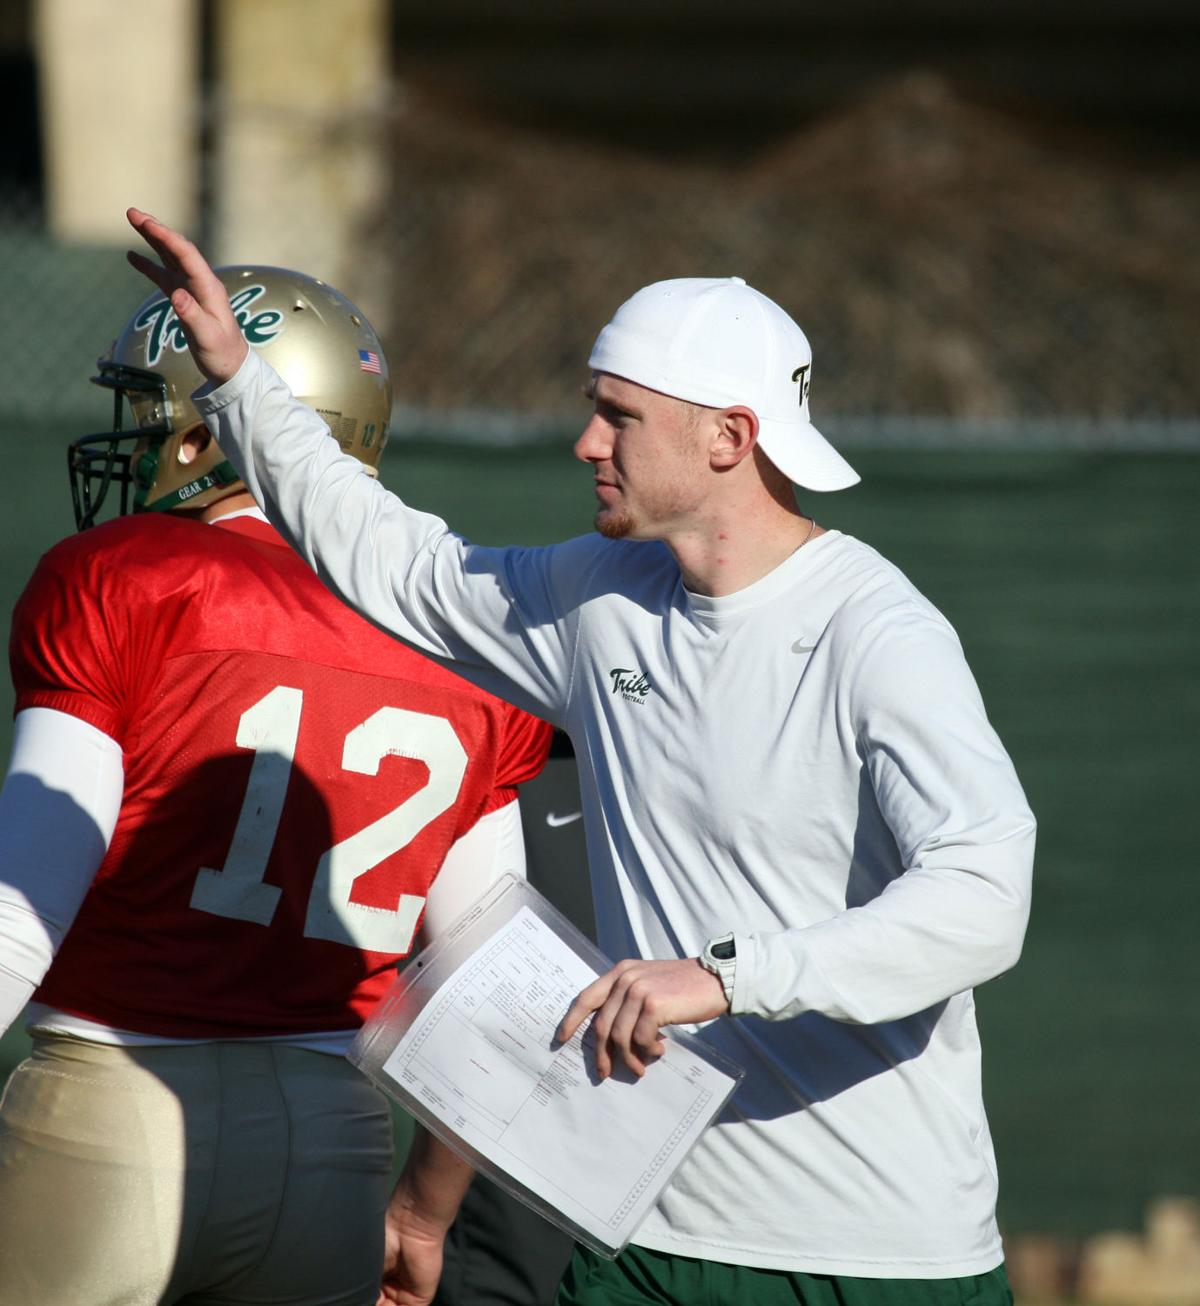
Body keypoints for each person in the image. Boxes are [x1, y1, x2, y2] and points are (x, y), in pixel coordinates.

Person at [126, 210, 1036, 1306]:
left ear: (729, 439)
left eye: (619, 416)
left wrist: (726, 976)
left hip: (876, 1255)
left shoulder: (877, 633)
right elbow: (393, 559)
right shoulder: (599, 597)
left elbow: (985, 894)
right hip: (645, 1238)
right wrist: (235, 380)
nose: (586, 443)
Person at [0, 264, 552, 1306]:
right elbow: (490, 995)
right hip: (331, 1148)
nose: (127, 441)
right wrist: (424, 1208)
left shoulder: (128, 576)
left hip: (113, 1115)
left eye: (143, 412)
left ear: (206, 429)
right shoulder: (467, 627)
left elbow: (20, 909)